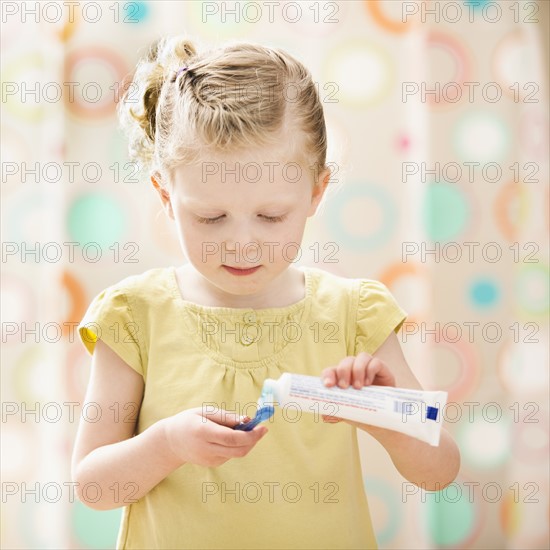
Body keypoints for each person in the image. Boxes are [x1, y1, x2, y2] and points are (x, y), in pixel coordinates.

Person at [72, 36, 460, 549]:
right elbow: (93, 487)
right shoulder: (133, 315)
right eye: (210, 217)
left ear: (316, 192)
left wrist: (382, 411)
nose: (241, 242)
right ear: (165, 195)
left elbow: (438, 473)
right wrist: (166, 444)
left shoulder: (353, 314)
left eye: (271, 216)